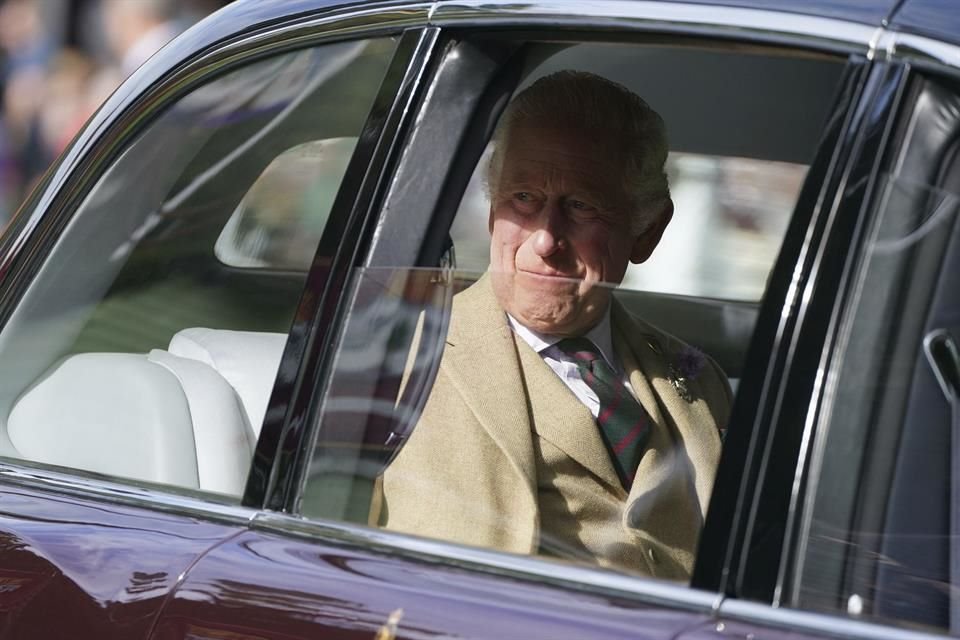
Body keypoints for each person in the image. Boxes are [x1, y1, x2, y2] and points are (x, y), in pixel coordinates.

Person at [376, 70, 731, 580]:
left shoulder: (698, 380)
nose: (545, 241)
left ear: (646, 231)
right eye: (523, 198)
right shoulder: (395, 356)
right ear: (493, 207)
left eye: (580, 206)